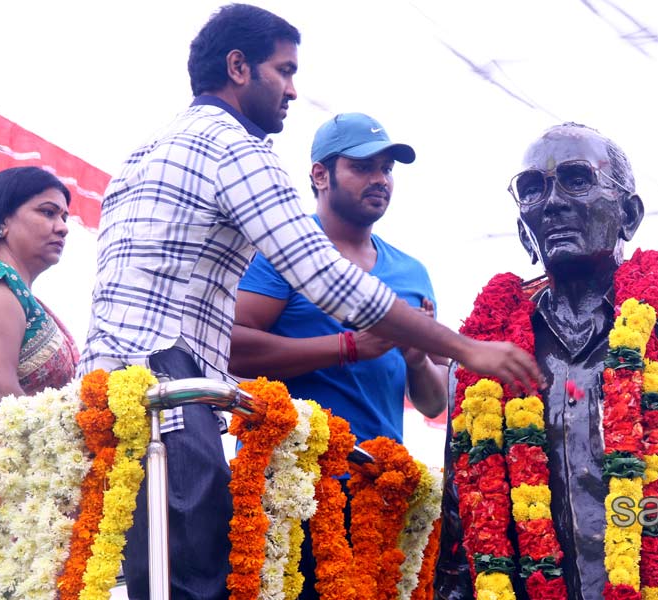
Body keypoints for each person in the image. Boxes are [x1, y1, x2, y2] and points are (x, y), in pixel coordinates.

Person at [77, 5, 540, 600]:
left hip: (112, 398)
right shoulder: (235, 149)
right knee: (191, 580)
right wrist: (465, 348)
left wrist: (422, 355)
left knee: (157, 578)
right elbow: (328, 278)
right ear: (238, 67)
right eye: (285, 70)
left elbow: (422, 390)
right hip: (176, 393)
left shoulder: (144, 151)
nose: (294, 90)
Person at [435, 123, 658, 599]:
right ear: (523, 225)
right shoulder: (484, 359)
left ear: (629, 213)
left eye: (577, 179)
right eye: (532, 189)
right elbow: (463, 532)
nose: (552, 202)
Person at [230, 112, 447, 599]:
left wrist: (416, 358)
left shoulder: (412, 273)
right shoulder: (280, 252)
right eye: (363, 166)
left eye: (387, 168)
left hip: (378, 492)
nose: (380, 180)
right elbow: (232, 347)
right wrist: (348, 347)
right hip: (290, 489)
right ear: (320, 175)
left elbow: (434, 404)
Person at [0, 166, 78, 403]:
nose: (63, 228)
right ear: (3, 220)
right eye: (48, 212)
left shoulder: (18, 292)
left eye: (63, 217)